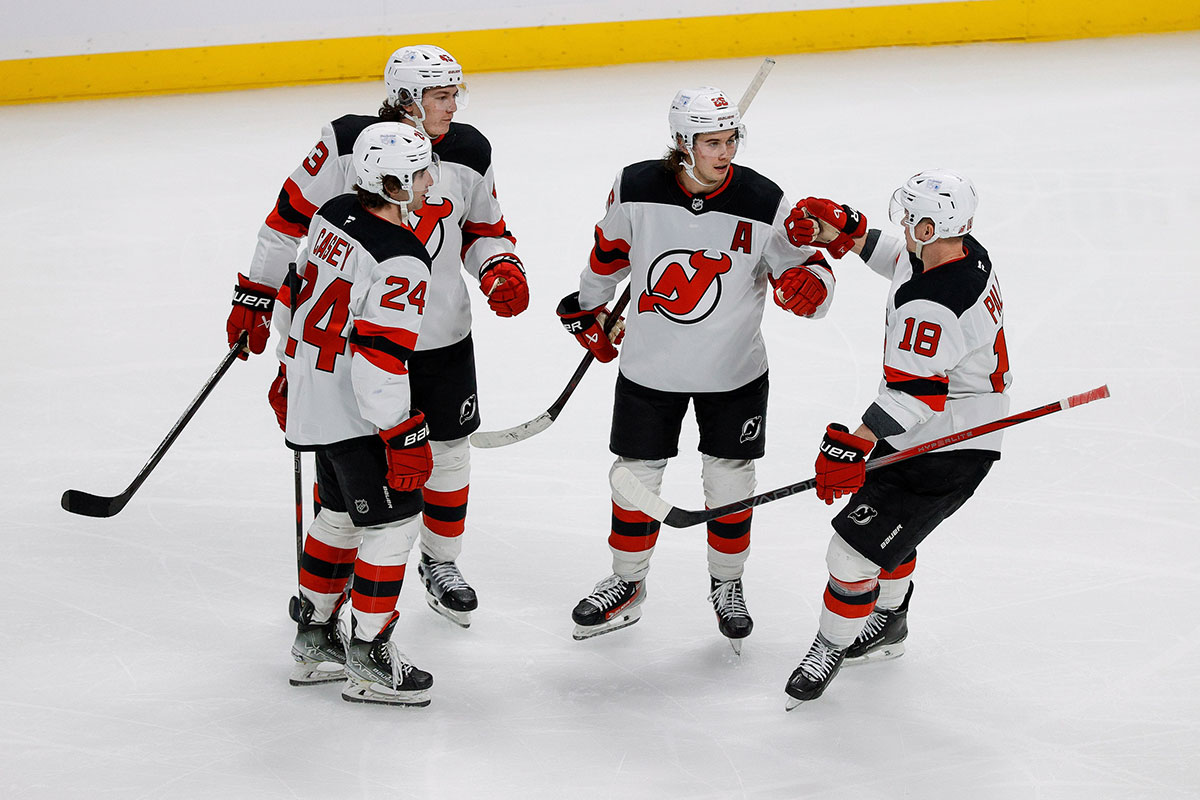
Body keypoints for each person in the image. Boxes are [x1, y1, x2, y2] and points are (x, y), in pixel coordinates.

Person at [226, 44, 527, 629]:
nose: (454, 105)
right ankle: (335, 591)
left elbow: (483, 228)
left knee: (447, 453)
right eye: (442, 95)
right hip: (359, 341)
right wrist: (256, 295)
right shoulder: (347, 145)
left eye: (454, 93)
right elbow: (290, 225)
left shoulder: (469, 149)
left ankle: (440, 563)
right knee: (346, 470)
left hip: (439, 334)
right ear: (409, 100)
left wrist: (498, 265)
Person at [557, 86, 836, 653]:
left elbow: (807, 268)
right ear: (683, 145)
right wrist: (588, 305)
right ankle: (627, 583)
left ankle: (727, 585)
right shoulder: (635, 186)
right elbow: (608, 253)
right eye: (712, 141)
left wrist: (816, 287)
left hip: (732, 374)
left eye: (732, 137)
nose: (726, 150)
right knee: (635, 479)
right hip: (650, 370)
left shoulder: (763, 199)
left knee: (730, 482)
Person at [780, 169, 1010, 708]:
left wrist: (852, 443)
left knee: (850, 554)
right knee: (886, 536)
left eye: (912, 219)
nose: (904, 225)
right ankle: (887, 621)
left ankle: (830, 645)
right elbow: (901, 259)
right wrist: (847, 234)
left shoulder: (932, 306)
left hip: (946, 446)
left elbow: (913, 399)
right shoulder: (962, 252)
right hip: (935, 426)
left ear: (933, 227)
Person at [281, 122, 440, 706]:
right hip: (355, 412)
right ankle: (370, 657)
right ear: (396, 183)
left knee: (341, 515)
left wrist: (286, 368)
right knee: (392, 523)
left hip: (314, 391)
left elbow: (295, 296)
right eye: (421, 171)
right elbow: (378, 358)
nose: (430, 181)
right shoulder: (403, 257)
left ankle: (314, 638)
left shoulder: (333, 210)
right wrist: (402, 432)